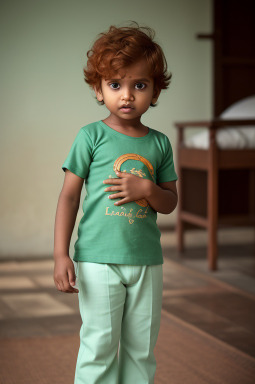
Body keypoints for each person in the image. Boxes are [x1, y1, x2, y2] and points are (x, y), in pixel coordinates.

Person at [53, 21, 178, 384]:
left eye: (139, 85)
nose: (127, 95)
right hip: (97, 260)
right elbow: (69, 196)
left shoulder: (160, 144)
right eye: (115, 84)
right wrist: (61, 254)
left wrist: (148, 190)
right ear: (98, 89)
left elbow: (169, 202)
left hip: (146, 262)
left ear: (155, 92)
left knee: (141, 349)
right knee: (100, 345)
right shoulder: (90, 136)